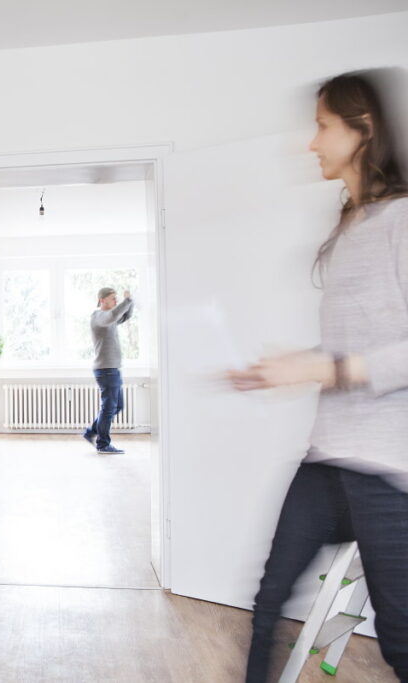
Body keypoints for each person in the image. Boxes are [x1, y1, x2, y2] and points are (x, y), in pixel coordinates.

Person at [228, 70, 408, 682]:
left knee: (401, 643)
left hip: (389, 470)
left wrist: (325, 366)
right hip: (328, 457)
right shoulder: (351, 225)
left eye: (323, 126)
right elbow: (356, 347)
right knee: (269, 601)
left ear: (364, 131)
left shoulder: (402, 221)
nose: (312, 142)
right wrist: (290, 367)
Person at [82, 287, 134, 454]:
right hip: (106, 370)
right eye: (113, 298)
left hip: (112, 369)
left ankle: (91, 432)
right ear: (102, 300)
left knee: (117, 406)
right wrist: (126, 301)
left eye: (116, 298)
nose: (115, 301)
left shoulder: (108, 318)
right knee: (108, 407)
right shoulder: (99, 317)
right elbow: (113, 315)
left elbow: (124, 315)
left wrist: (130, 302)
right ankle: (103, 444)